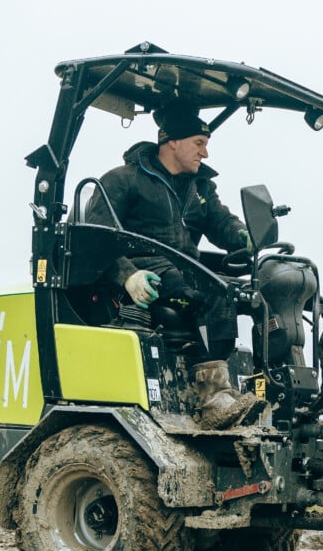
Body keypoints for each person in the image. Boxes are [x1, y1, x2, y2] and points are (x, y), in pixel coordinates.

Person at [84, 98, 251, 358]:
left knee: (255, 295)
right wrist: (127, 275)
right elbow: (97, 238)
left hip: (186, 269)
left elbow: (221, 222)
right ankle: (213, 375)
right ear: (173, 141)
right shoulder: (123, 180)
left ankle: (271, 375)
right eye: (199, 143)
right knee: (213, 292)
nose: (205, 153)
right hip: (146, 267)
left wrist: (244, 236)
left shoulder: (200, 187)